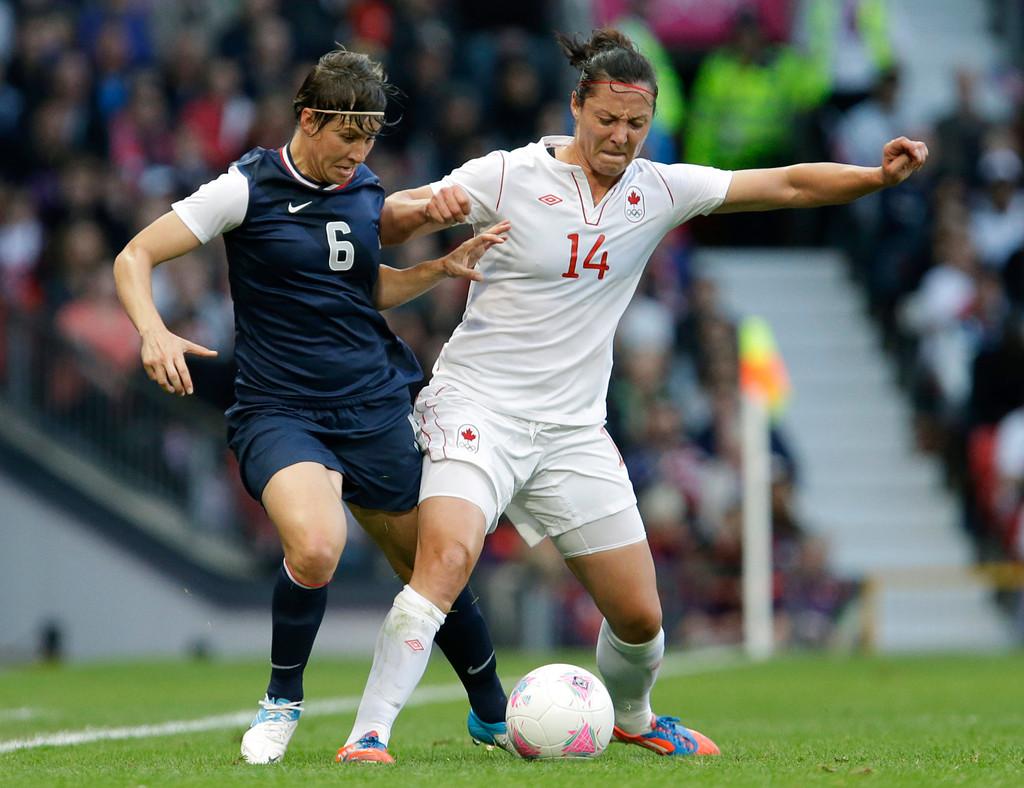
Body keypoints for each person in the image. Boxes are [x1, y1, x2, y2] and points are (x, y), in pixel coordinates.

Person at [336, 28, 927, 764]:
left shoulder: (659, 190)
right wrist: (420, 214)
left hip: (573, 433)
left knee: (641, 617)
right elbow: (385, 219)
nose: (620, 137)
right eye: (607, 120)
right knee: (448, 558)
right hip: (475, 408)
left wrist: (874, 177)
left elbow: (785, 184)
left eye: (635, 125)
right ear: (576, 106)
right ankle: (369, 734)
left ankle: (634, 716)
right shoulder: (507, 175)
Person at [112, 48, 512, 764]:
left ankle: (493, 713)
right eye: (346, 137)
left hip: (372, 403)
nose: (357, 154)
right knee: (318, 545)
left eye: (369, 140)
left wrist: (434, 270)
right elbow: (134, 256)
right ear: (308, 118)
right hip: (281, 410)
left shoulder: (362, 189)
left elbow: (362, 287)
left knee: (436, 567)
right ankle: (281, 702)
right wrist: (152, 330)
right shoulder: (246, 188)